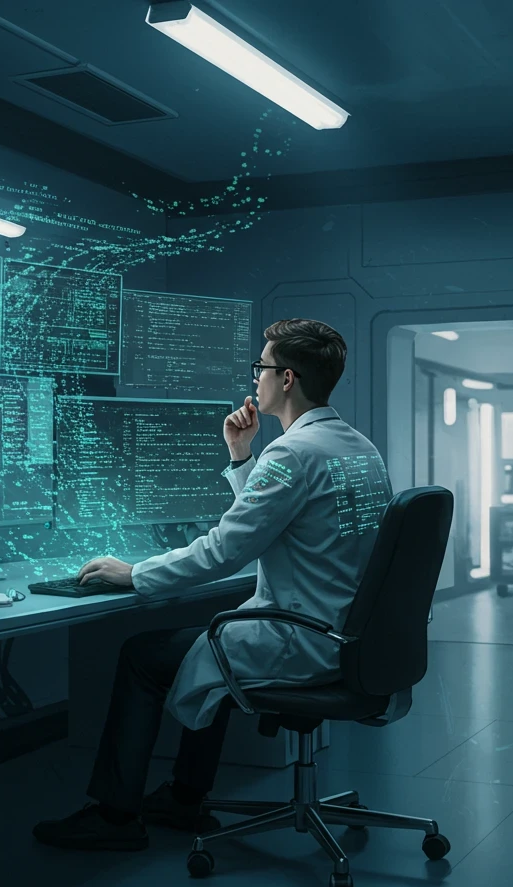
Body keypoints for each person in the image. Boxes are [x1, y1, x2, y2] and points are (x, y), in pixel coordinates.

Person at [31, 318, 393, 851]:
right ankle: (183, 797)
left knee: (145, 654)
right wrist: (242, 455)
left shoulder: (293, 453)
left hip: (304, 638)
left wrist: (135, 573)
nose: (255, 380)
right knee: (213, 641)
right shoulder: (357, 447)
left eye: (261, 367)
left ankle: (115, 817)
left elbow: (227, 548)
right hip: (348, 634)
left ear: (287, 379)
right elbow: (279, 521)